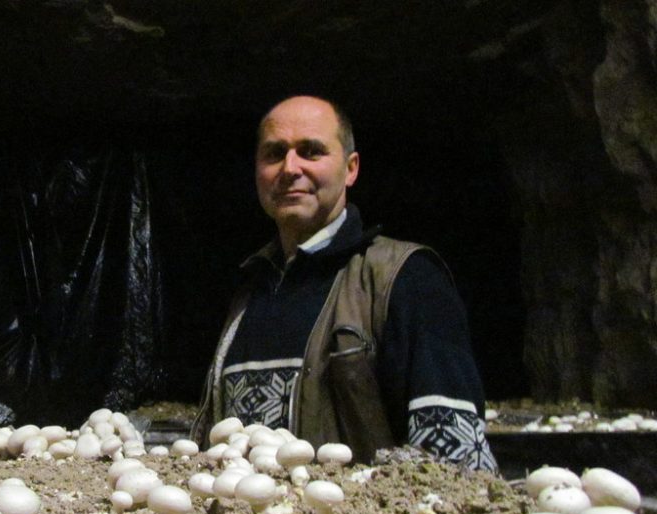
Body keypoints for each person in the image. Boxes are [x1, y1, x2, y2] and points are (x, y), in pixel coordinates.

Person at [191, 95, 497, 472]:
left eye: (311, 151)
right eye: (274, 153)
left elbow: (456, 468)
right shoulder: (249, 293)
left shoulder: (405, 279)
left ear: (351, 169)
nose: (290, 167)